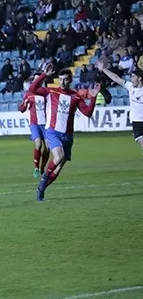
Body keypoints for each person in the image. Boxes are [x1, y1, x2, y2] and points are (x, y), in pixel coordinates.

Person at [30, 63, 100, 201]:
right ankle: (44, 180)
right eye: (60, 79)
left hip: (67, 136)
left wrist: (93, 97)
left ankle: (42, 188)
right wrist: (44, 74)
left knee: (58, 167)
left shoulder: (75, 96)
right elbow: (33, 89)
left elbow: (88, 113)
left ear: (70, 80)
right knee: (59, 156)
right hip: (52, 131)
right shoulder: (51, 92)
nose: (62, 82)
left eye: (65, 79)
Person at [96, 60, 143, 156]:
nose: (131, 79)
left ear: (140, 78)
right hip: (137, 122)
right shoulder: (130, 87)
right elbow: (116, 78)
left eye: (133, 77)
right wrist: (104, 69)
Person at [18, 86, 49, 178]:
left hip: (45, 123)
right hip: (34, 123)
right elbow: (21, 109)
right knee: (38, 144)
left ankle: (42, 168)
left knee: (48, 147)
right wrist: (25, 104)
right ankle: (36, 168)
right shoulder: (28, 94)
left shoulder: (45, 93)